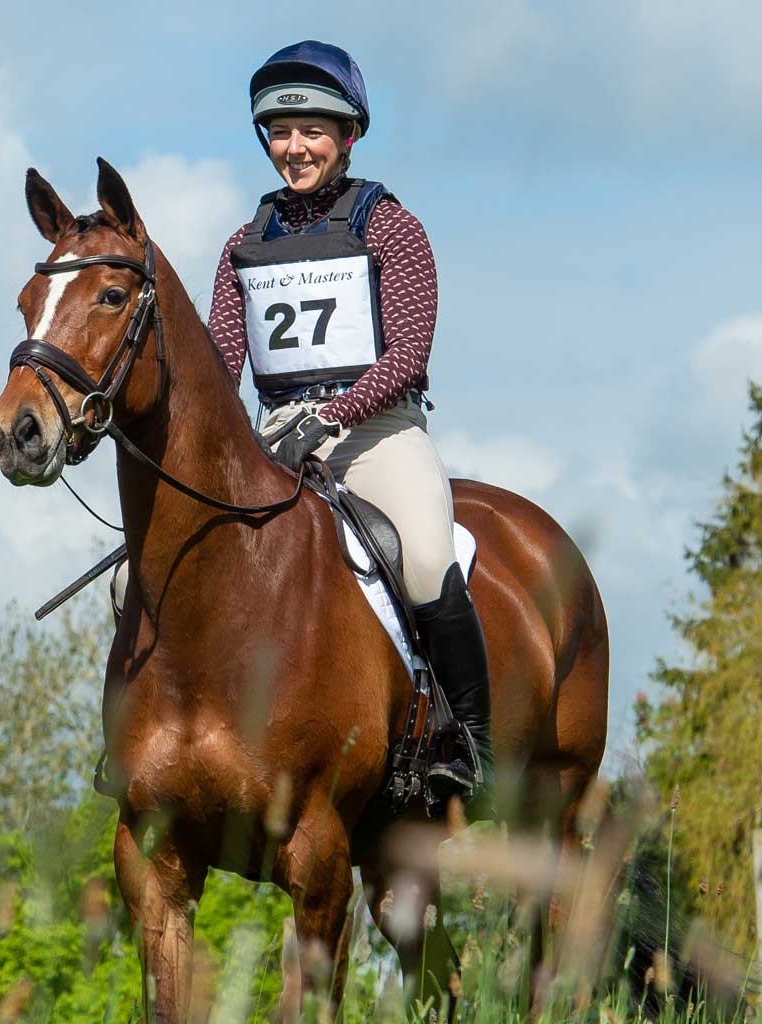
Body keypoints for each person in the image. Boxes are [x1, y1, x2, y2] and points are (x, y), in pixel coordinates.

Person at [207, 40, 491, 801]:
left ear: (347, 136)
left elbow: (407, 353)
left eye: (310, 132)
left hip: (375, 432)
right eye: (278, 133)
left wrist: (332, 415)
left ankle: (469, 743)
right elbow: (217, 366)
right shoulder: (244, 245)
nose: (292, 148)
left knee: (427, 556)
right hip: (273, 440)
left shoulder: (389, 226)